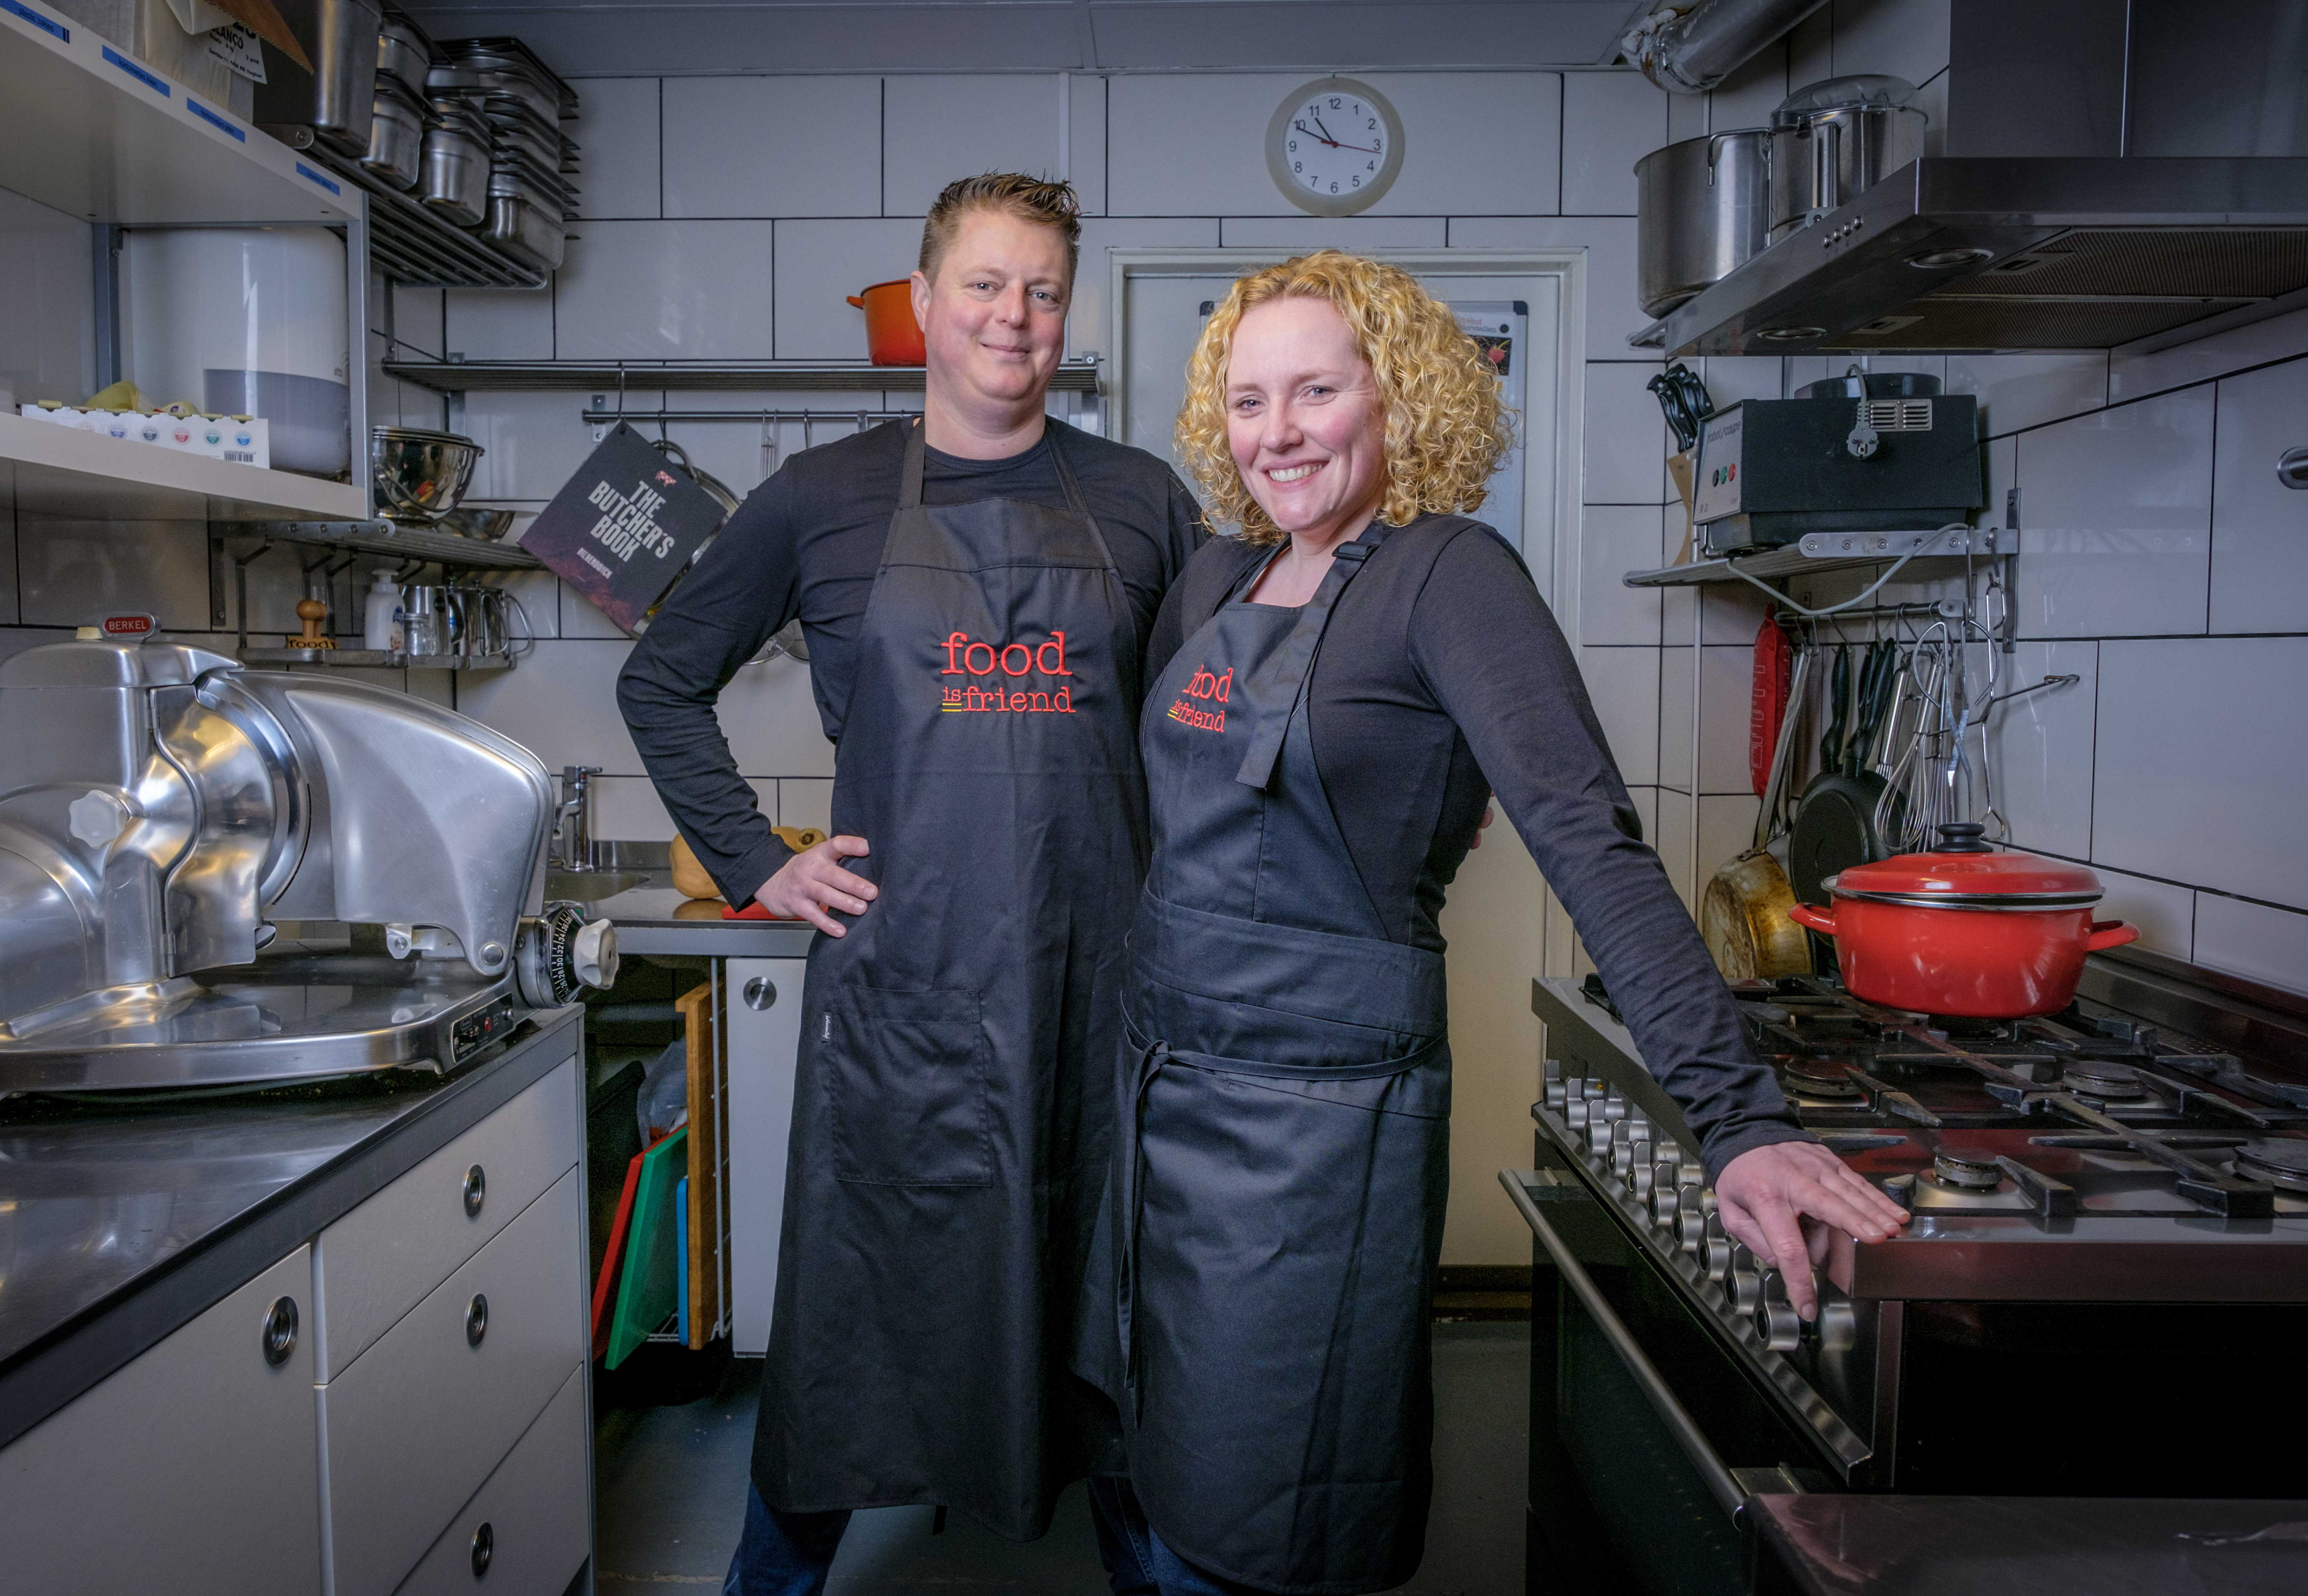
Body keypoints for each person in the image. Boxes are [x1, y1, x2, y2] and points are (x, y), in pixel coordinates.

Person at [1073, 252, 1910, 1596]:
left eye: (1315, 391)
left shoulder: (1450, 577)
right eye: (1247, 399)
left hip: (1314, 1129)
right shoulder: (1214, 578)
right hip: (1155, 1087)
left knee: (1266, 1505)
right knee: (1142, 1458)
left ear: (1396, 396)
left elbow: (1592, 844)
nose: (1277, 431)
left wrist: (1738, 1119)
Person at [617, 174, 1205, 1595]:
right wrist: (759, 865)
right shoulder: (819, 498)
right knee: (855, 1329)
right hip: (905, 1004)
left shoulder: (1141, 501)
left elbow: (1215, 719)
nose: (1015, 316)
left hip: (1097, 996)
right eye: (986, 285)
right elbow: (661, 681)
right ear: (926, 303)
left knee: (1113, 1327)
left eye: (1043, 291)